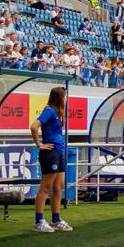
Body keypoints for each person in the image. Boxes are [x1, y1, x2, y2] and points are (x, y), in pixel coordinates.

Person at [31, 87, 73, 233]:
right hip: (51, 152)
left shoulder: (58, 113)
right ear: (60, 97)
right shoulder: (49, 111)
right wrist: (39, 145)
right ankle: (39, 220)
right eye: (65, 96)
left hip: (59, 152)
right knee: (46, 187)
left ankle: (56, 219)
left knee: (58, 186)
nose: (67, 99)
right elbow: (34, 126)